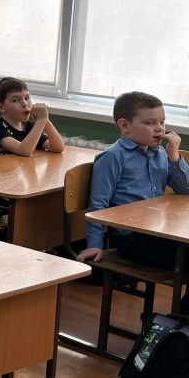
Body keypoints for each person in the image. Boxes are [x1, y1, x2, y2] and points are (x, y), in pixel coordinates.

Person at [80, 91, 189, 270]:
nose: (160, 129)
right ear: (124, 125)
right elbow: (98, 205)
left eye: (162, 122)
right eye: (150, 123)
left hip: (159, 230)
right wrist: (95, 244)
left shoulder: (161, 153)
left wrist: (174, 158)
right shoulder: (113, 157)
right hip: (132, 238)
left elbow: (185, 189)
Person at [0, 76, 64, 158]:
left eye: (27, 98)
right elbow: (24, 150)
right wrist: (41, 120)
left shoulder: (29, 127)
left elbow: (58, 148)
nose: (25, 104)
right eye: (16, 100)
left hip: (17, 166)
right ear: (1, 107)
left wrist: (45, 120)